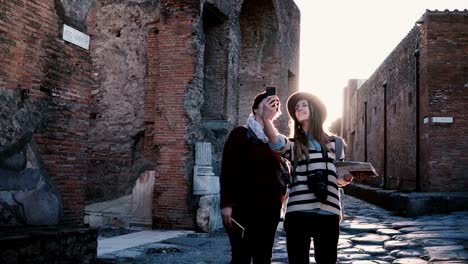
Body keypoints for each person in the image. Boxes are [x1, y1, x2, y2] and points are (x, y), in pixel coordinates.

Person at [261, 91, 353, 264]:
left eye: (303, 105)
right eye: (296, 107)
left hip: (329, 213)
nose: (299, 109)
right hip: (298, 214)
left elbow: (339, 180)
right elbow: (275, 142)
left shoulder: (336, 143)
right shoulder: (295, 145)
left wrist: (348, 177)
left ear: (315, 110)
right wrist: (267, 119)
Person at [220, 91, 286, 264]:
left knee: (263, 257)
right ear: (256, 108)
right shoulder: (240, 134)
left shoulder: (276, 141)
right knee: (241, 256)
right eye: (268, 101)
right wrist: (227, 204)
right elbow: (228, 169)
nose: (273, 105)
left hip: (269, 208)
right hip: (243, 207)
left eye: (276, 104)